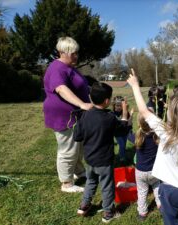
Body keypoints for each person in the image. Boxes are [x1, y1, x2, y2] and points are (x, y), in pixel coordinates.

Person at [127, 69, 178, 225]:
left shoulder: (166, 134)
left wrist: (135, 86)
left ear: (172, 116)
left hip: (169, 190)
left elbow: (143, 110)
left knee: (170, 220)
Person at [74, 81, 129, 223]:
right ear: (106, 101)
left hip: (90, 159)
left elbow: (77, 136)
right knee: (107, 186)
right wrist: (124, 111)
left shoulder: (84, 115)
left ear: (90, 98)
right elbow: (123, 129)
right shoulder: (110, 118)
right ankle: (108, 213)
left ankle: (84, 205)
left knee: (90, 182)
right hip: (104, 161)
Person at [43, 36, 92, 193]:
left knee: (78, 145)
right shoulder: (57, 68)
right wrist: (81, 104)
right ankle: (66, 183)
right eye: (73, 53)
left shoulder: (69, 67)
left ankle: (79, 172)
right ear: (62, 52)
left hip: (74, 115)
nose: (76, 56)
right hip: (64, 116)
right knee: (68, 149)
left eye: (77, 52)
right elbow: (61, 89)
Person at [128, 111, 161, 221]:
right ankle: (161, 206)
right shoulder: (157, 136)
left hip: (141, 171)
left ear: (139, 124)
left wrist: (128, 120)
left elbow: (128, 134)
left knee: (142, 192)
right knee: (157, 187)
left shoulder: (137, 137)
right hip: (155, 171)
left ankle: (142, 213)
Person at [112, 95, 133, 162]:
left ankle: (123, 156)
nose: (118, 107)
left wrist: (130, 129)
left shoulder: (125, 112)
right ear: (114, 105)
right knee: (121, 145)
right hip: (117, 134)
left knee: (124, 145)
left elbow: (129, 122)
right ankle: (122, 159)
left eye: (120, 106)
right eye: (117, 105)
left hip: (125, 132)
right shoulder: (112, 114)